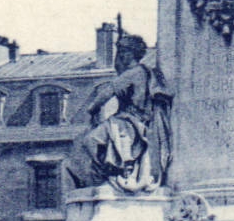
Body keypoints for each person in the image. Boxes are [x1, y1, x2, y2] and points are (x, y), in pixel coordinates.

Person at [71, 33, 173, 194]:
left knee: (91, 139)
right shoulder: (144, 72)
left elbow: (107, 92)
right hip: (133, 120)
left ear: (132, 53)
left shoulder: (133, 73)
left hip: (129, 120)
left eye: (123, 52)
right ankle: (113, 173)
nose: (120, 56)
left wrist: (92, 108)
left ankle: (112, 173)